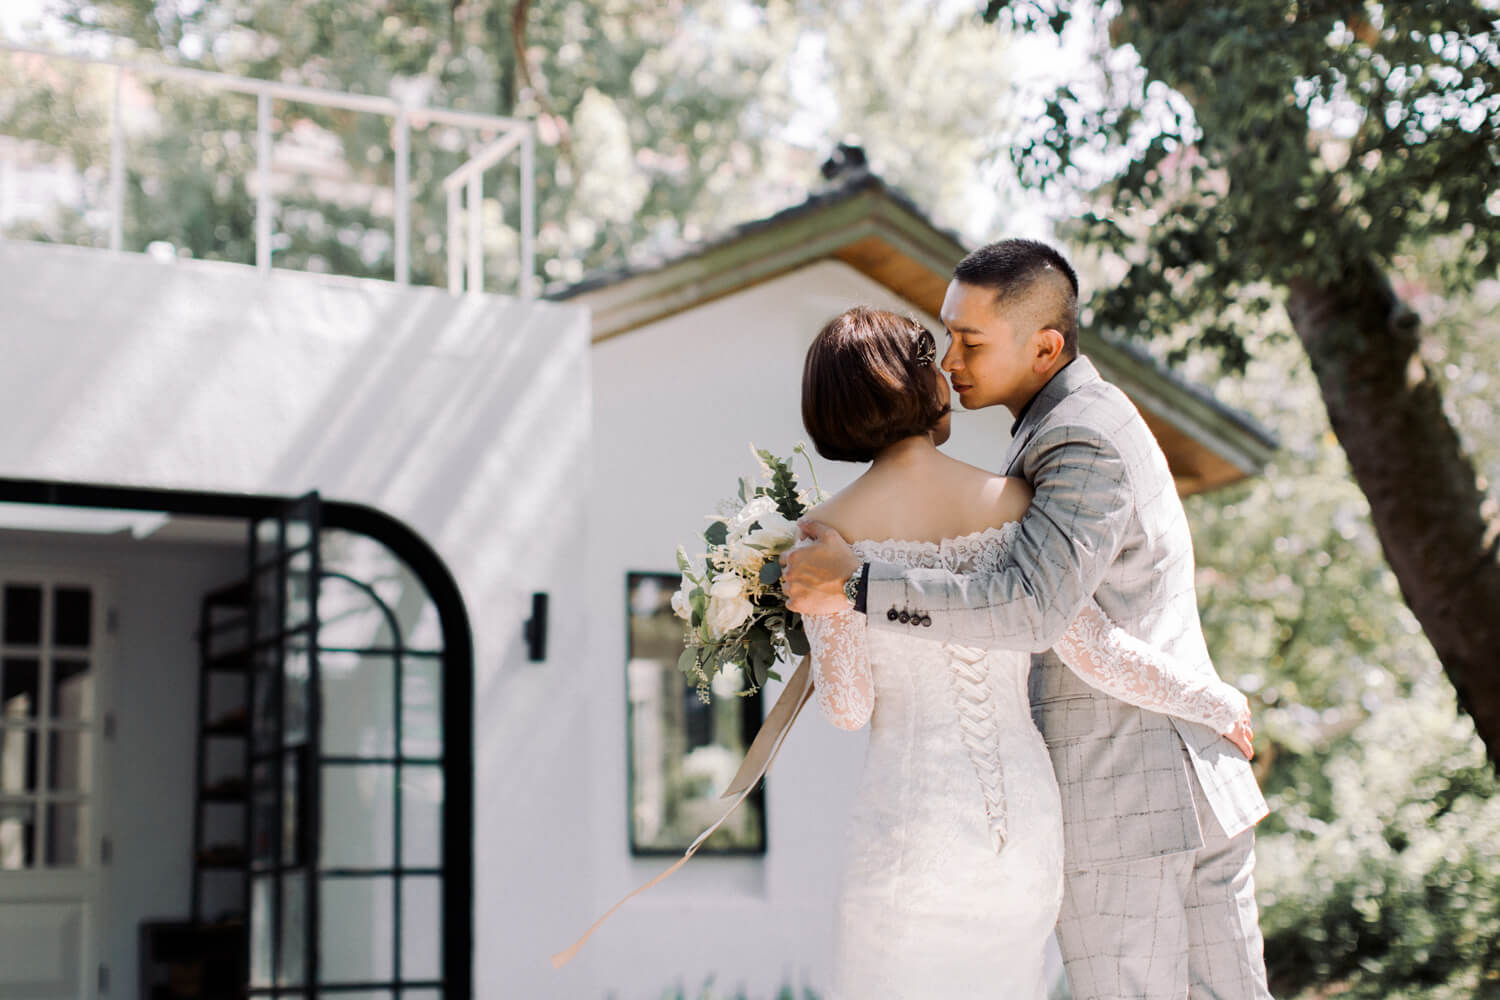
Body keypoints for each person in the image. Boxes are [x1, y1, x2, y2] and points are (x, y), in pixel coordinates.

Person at [788, 302, 1261, 999]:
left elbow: (849, 707)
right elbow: (1098, 652)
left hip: (909, 831)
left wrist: (818, 613)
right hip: (1023, 828)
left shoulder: (824, 537)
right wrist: (1213, 700)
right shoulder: (1011, 502)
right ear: (918, 384)